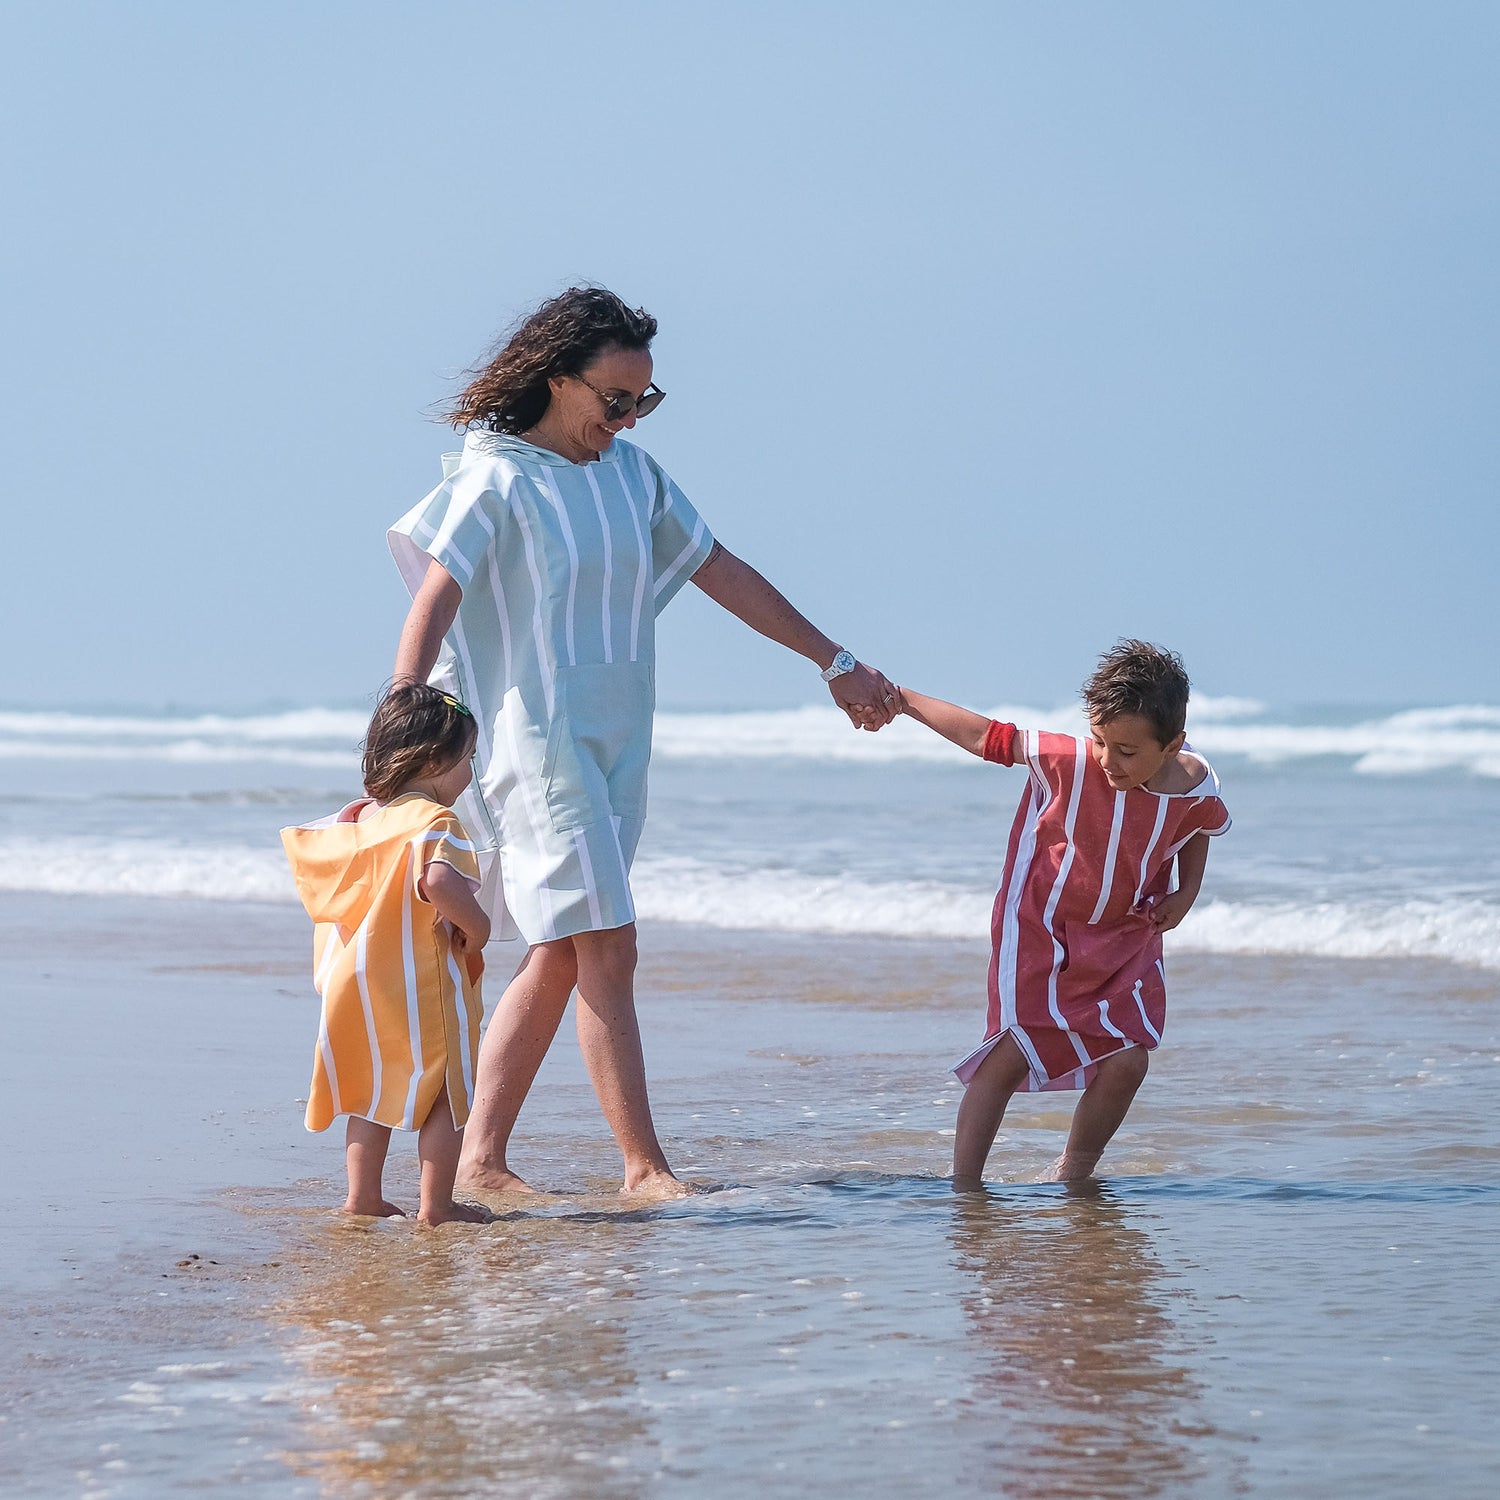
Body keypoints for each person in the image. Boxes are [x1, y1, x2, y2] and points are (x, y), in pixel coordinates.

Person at [387, 286, 897, 1197]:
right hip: (537, 745)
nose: (625, 420)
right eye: (612, 400)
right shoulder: (496, 478)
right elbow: (438, 593)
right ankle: (643, 1168)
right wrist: (401, 716)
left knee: (560, 950)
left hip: (621, 742)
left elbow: (718, 567)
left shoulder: (634, 476)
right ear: (557, 382)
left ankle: (481, 1161)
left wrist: (835, 660)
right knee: (610, 944)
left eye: (642, 403)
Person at [895, 640, 1231, 1188]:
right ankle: (965, 1186)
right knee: (1011, 1052)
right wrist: (902, 698)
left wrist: (1187, 892)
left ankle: (1071, 1175)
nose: (1108, 760)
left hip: (1127, 933)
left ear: (1171, 746)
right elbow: (985, 736)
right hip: (1040, 926)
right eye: (1100, 740)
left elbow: (1201, 827)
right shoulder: (1068, 760)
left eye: (1126, 751)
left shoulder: (1195, 783)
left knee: (1129, 1061)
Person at [281, 684, 492, 1225]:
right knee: (446, 1094)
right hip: (419, 982)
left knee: (368, 1091)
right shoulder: (436, 823)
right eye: (468, 759)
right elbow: (439, 881)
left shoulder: (359, 825)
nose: (470, 772)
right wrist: (478, 925)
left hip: (354, 984)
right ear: (437, 761)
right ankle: (437, 1206)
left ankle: (363, 1198)